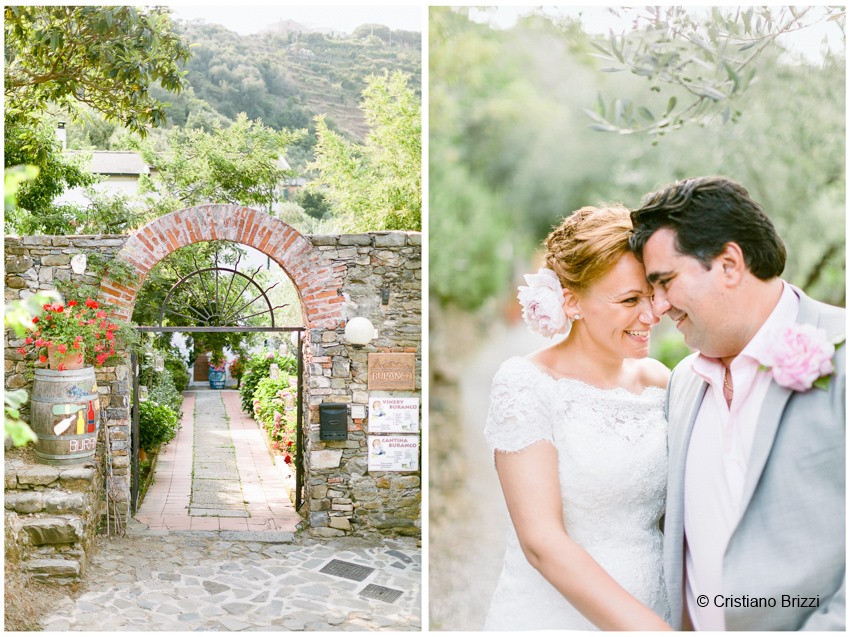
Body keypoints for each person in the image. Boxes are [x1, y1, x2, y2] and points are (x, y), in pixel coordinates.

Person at [629, 176, 845, 631]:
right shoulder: (683, 383)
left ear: (729, 264)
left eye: (665, 281)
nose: (660, 305)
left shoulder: (840, 353)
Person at [484, 205, 673, 630]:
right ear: (572, 301)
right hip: (559, 617)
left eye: (652, 294)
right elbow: (541, 543)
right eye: (629, 300)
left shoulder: (660, 382)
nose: (651, 315)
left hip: (657, 600)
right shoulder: (526, 384)